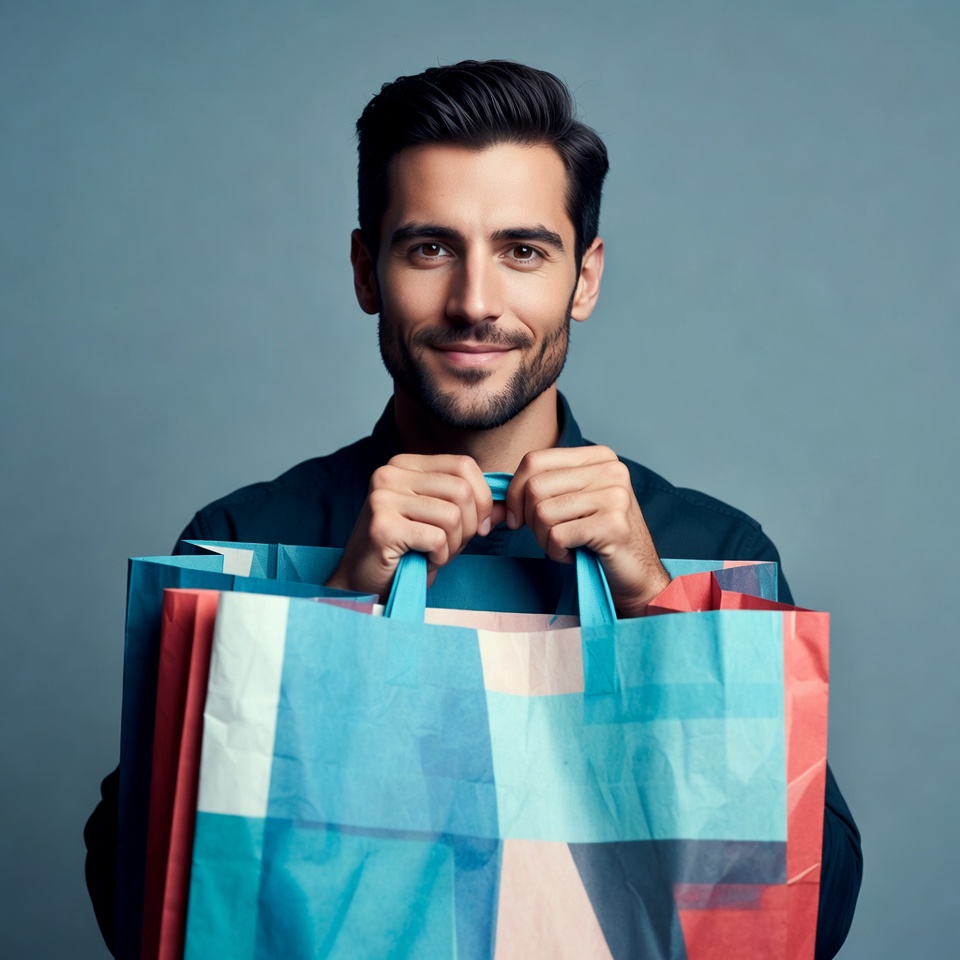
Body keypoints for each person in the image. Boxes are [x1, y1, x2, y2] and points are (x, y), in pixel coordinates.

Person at [86, 59, 861, 957]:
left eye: (522, 251)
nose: (475, 303)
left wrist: (659, 609)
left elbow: (816, 915)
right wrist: (334, 608)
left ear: (586, 277)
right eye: (430, 248)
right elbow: (138, 903)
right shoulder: (246, 539)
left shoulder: (706, 550)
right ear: (365, 271)